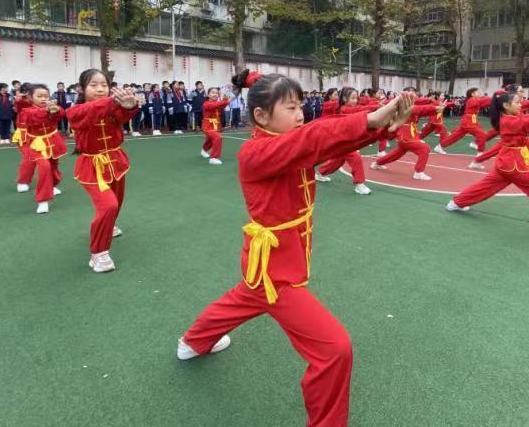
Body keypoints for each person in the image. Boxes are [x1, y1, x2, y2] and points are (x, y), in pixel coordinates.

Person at [177, 69, 413, 427]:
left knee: (244, 297)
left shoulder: (287, 142)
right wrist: (368, 119)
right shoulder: (256, 152)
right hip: (276, 271)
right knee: (335, 349)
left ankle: (193, 341)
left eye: (300, 105)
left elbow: (324, 143)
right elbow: (313, 140)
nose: (300, 113)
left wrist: (383, 128)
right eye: (290, 107)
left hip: (270, 263)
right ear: (261, 116)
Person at [446, 91, 529, 239]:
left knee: (486, 186)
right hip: (514, 164)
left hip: (507, 161)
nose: (521, 104)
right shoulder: (511, 121)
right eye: (517, 101)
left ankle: (456, 203)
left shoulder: (511, 117)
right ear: (506, 105)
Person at [67, 69, 139, 273]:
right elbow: (90, 113)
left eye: (104, 85)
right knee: (108, 205)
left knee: (117, 203)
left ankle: (108, 226)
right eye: (93, 85)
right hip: (92, 166)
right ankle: (98, 253)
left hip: (116, 160)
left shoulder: (111, 106)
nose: (100, 89)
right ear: (81, 89)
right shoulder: (74, 111)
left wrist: (130, 106)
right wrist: (113, 101)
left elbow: (123, 115)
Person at [370, 87, 441, 180]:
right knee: (425, 149)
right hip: (405, 134)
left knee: (396, 154)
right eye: (409, 93)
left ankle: (377, 163)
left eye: (413, 93)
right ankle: (418, 172)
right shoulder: (405, 105)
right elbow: (420, 109)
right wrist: (435, 108)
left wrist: (434, 104)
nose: (412, 95)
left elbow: (422, 105)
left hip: (409, 134)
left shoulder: (413, 103)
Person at [315, 87, 374, 195]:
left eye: (357, 98)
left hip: (344, 140)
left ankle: (320, 173)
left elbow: (361, 107)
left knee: (339, 159)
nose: (355, 101)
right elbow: (358, 110)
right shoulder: (343, 108)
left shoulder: (346, 107)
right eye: (353, 98)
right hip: (337, 139)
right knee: (355, 157)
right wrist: (376, 107)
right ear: (345, 98)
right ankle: (359, 184)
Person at [20, 84, 68, 214]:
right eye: (39, 96)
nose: (43, 99)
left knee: (53, 166)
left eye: (46, 96)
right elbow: (34, 117)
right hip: (36, 144)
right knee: (44, 166)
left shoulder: (51, 107)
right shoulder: (27, 111)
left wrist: (56, 110)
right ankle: (43, 200)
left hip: (53, 141)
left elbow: (62, 114)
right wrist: (47, 110)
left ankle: (52, 185)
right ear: (30, 97)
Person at [437, 87, 491, 152]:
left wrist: (494, 101)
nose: (479, 93)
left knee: (454, 136)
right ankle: (479, 154)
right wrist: (495, 98)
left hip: (469, 121)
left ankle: (440, 145)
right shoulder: (471, 100)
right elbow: (482, 101)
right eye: (477, 92)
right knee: (482, 135)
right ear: (472, 94)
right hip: (468, 122)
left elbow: (484, 103)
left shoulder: (475, 100)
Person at [200, 87, 229, 165]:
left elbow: (222, 106)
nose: (215, 94)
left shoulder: (217, 103)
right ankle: (214, 158)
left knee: (210, 140)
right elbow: (215, 105)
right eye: (212, 93)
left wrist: (226, 100)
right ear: (208, 95)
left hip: (215, 125)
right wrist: (225, 101)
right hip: (208, 125)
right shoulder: (206, 103)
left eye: (216, 93)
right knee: (217, 137)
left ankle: (203, 150)